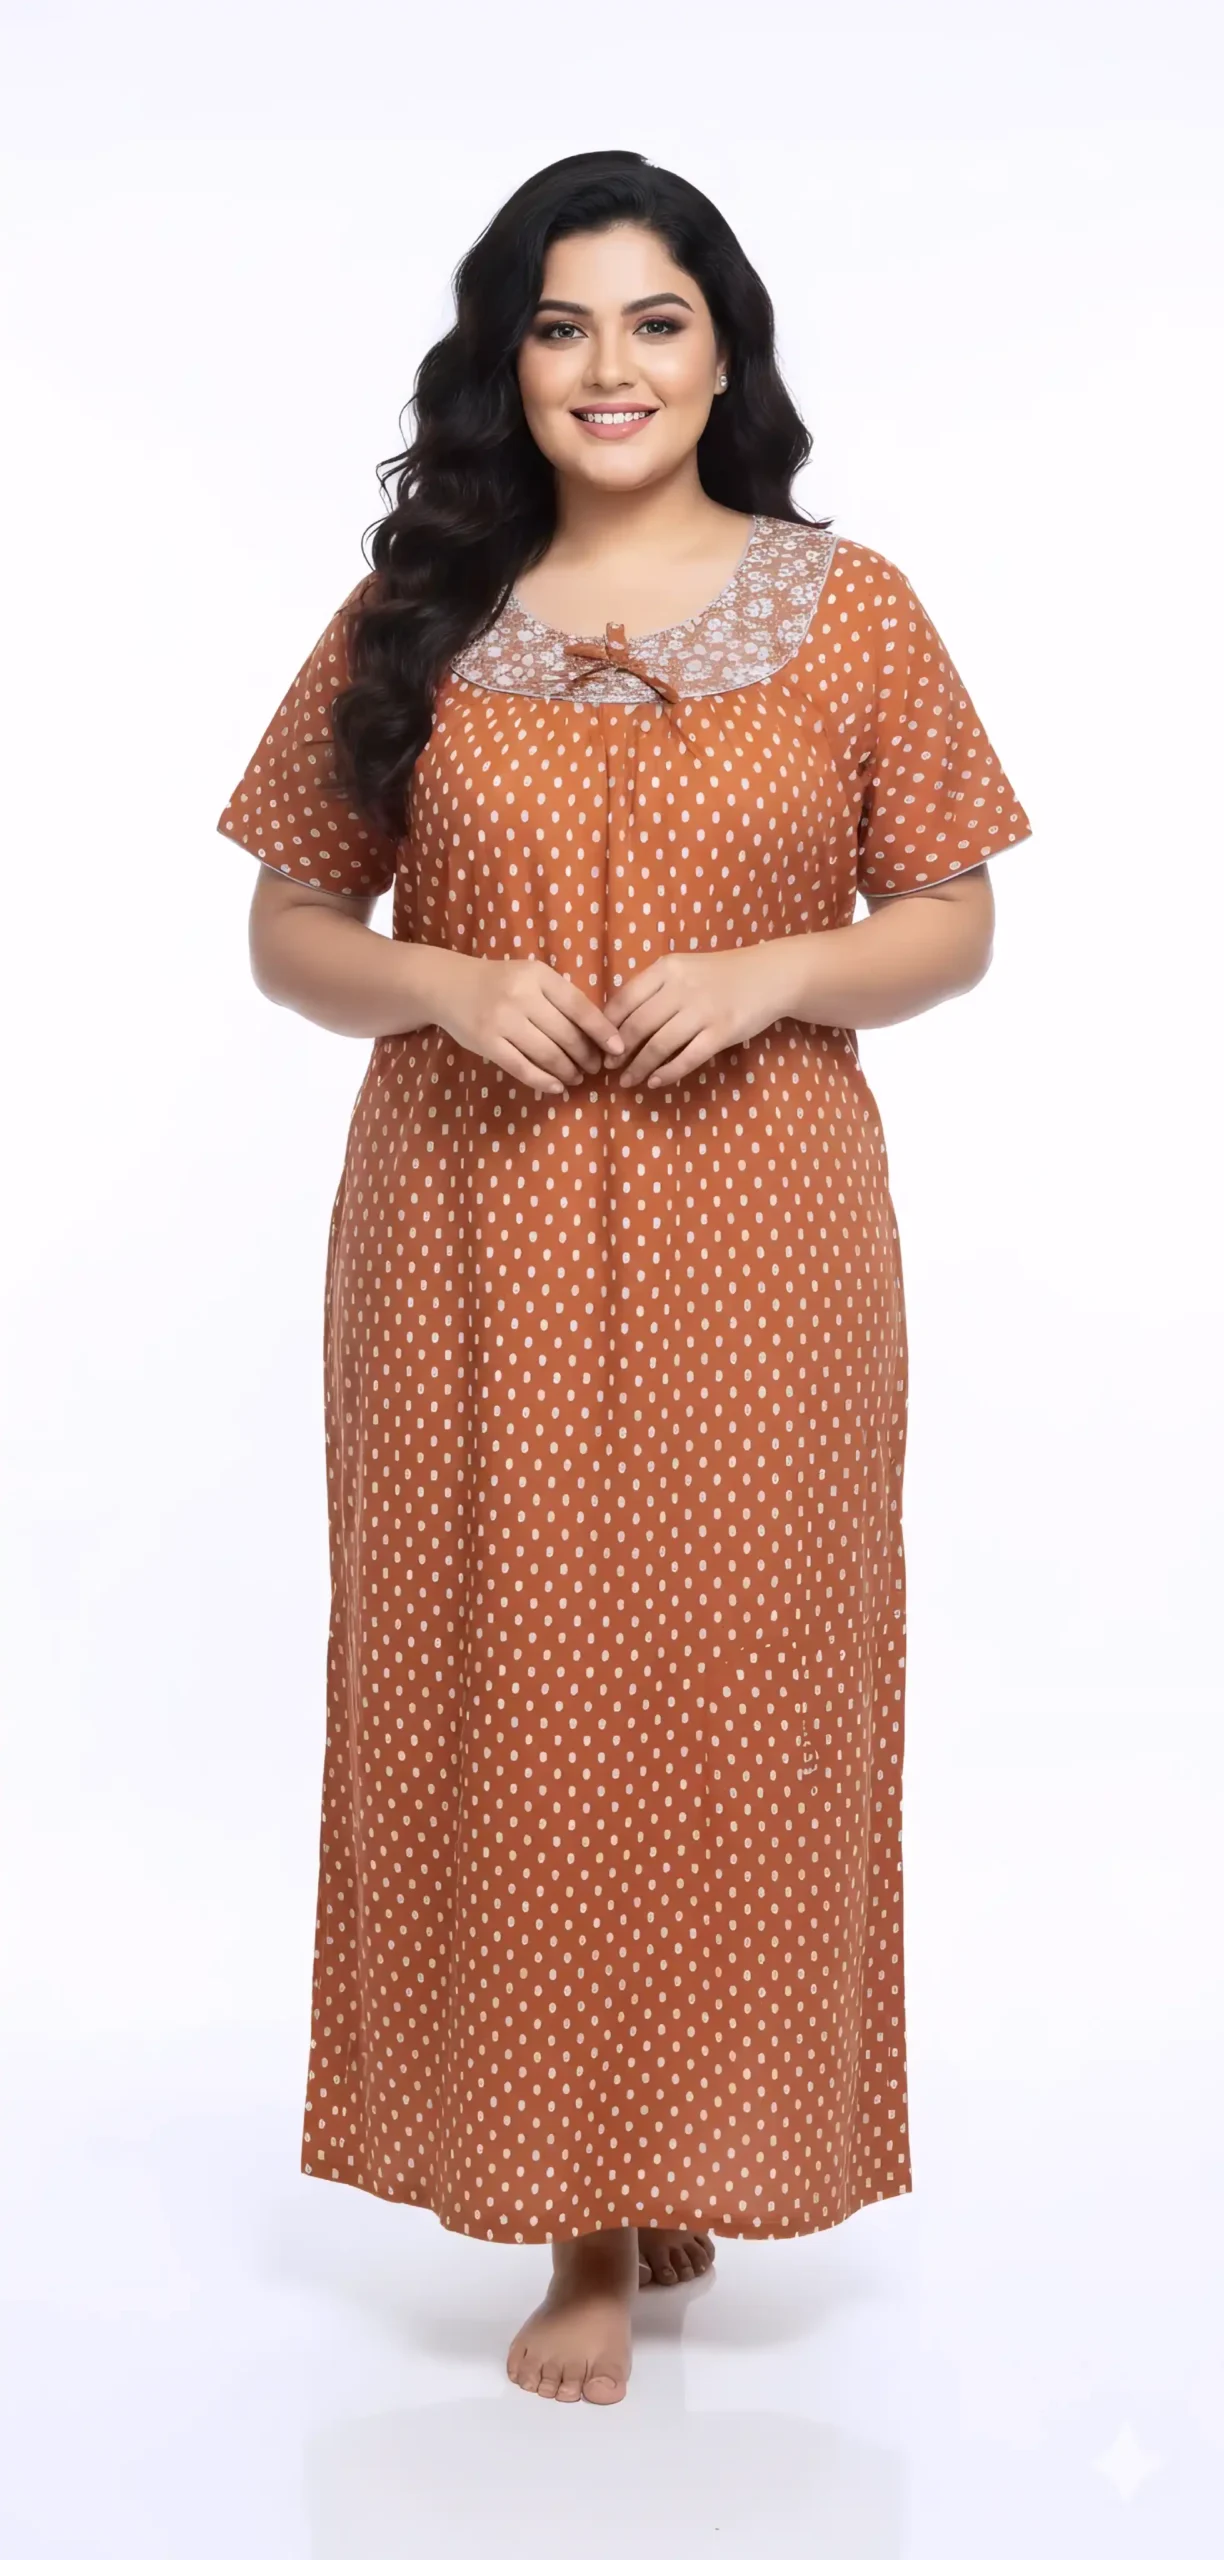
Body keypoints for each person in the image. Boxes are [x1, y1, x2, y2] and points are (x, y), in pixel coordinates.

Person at [215, 148, 1031, 2408]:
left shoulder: (850, 610)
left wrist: (779, 969)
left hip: (763, 1238)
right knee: (511, 1674)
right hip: (467, 1232)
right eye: (561, 325)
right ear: (505, 363)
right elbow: (288, 925)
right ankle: (580, 2210)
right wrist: (444, 983)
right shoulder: (413, 617)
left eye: (655, 320)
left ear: (722, 349)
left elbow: (955, 914)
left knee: (740, 1678)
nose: (609, 366)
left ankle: (698, 2142)